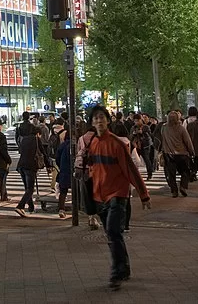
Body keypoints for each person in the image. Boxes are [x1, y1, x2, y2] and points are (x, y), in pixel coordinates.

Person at [81, 106, 150, 291]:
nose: (98, 121)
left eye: (101, 117)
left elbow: (131, 169)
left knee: (112, 232)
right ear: (91, 122)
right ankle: (124, 267)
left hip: (117, 194)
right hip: (99, 195)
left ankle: (117, 272)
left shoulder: (117, 144)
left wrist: (143, 194)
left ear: (108, 120)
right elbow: (91, 169)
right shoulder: (92, 143)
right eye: (95, 118)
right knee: (113, 235)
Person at [160, 111, 194, 197]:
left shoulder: (164, 128)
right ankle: (183, 186)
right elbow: (187, 141)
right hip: (182, 153)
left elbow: (162, 139)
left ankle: (174, 191)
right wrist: (191, 152)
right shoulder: (181, 128)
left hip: (169, 154)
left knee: (171, 174)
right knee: (185, 171)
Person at [14, 125, 42, 217]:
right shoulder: (36, 140)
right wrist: (48, 165)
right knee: (30, 189)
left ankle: (31, 207)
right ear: (37, 133)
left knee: (27, 188)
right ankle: (20, 206)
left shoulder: (24, 139)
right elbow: (43, 152)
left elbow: (21, 151)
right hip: (31, 166)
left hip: (21, 165)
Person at [55, 123, 74, 219]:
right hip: (74, 170)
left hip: (64, 170)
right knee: (76, 190)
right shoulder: (76, 144)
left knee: (63, 191)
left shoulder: (62, 145)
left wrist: (61, 166)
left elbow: (57, 158)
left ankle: (61, 209)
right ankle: (77, 207)